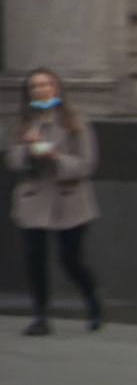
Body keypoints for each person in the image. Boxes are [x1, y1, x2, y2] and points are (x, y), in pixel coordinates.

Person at [9, 68, 102, 334]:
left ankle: (93, 302)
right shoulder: (24, 123)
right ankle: (41, 316)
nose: (41, 90)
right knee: (35, 257)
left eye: (46, 84)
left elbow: (87, 163)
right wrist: (27, 147)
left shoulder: (75, 121)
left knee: (70, 260)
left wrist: (57, 157)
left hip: (69, 198)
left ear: (57, 89)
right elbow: (12, 162)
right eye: (35, 86)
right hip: (34, 198)